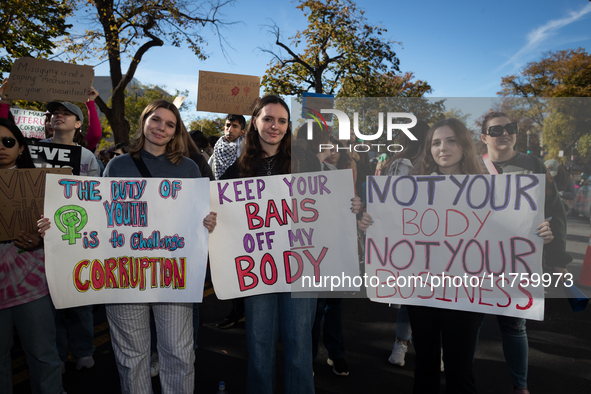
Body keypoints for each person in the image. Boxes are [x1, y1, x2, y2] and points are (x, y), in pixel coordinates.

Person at [39, 100, 217, 393]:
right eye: (156, 120)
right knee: (131, 356)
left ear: (175, 132)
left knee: (178, 353)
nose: (161, 128)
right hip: (124, 273)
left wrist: (207, 221)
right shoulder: (117, 165)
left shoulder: (188, 168)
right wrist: (57, 225)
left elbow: (196, 216)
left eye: (169, 124)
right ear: (144, 122)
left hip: (171, 273)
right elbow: (98, 215)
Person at [479, 111, 571, 394]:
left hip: (517, 263)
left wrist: (555, 249)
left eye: (510, 128)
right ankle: (460, 379)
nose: (504, 133)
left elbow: (554, 211)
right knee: (468, 322)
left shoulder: (534, 165)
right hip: (475, 261)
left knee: (515, 326)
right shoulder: (471, 167)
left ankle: (520, 385)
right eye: (496, 130)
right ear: (484, 138)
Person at [0, 118, 66, 394]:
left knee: (43, 355)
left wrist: (42, 237)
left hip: (33, 286)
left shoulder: (46, 184)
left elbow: (66, 228)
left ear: (21, 147)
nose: (1, 148)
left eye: (7, 141)